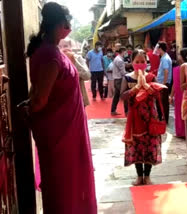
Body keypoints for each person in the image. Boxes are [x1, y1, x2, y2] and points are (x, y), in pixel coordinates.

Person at [24, 2, 97, 213]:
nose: (70, 27)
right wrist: (29, 111)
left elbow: (36, 93)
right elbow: (39, 99)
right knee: (62, 186)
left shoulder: (50, 51)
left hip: (65, 133)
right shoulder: (50, 56)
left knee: (67, 184)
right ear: (59, 24)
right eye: (68, 23)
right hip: (60, 137)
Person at [121, 49, 166, 186]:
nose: (140, 64)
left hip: (150, 117)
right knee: (137, 147)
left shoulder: (151, 77)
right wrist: (136, 88)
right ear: (132, 62)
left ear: (147, 63)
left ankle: (147, 176)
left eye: (143, 62)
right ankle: (139, 176)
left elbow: (158, 95)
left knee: (149, 145)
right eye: (137, 62)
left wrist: (146, 86)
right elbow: (123, 96)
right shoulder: (127, 78)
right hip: (134, 118)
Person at [59, 38, 91, 107]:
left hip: (78, 98)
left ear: (70, 47)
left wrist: (74, 61)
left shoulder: (78, 58)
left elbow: (87, 76)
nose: (63, 49)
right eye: (59, 47)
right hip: (62, 99)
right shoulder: (56, 61)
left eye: (65, 46)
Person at [169, 48, 187, 138]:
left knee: (185, 112)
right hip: (179, 93)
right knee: (180, 112)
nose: (178, 56)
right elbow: (174, 83)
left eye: (179, 55)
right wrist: (171, 95)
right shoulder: (177, 68)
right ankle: (181, 132)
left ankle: (185, 132)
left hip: (186, 93)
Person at [156, 41, 173, 124]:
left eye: (157, 48)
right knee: (161, 101)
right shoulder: (163, 57)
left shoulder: (165, 58)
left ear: (160, 48)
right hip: (162, 82)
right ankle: (162, 117)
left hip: (163, 83)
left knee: (163, 102)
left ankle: (163, 118)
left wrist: (164, 83)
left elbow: (166, 71)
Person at [111, 46, 127, 116]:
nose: (126, 53)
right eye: (125, 52)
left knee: (116, 96)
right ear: (123, 52)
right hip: (120, 80)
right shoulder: (120, 60)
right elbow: (123, 72)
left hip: (116, 79)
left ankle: (113, 110)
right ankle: (127, 111)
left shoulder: (117, 58)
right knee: (125, 94)